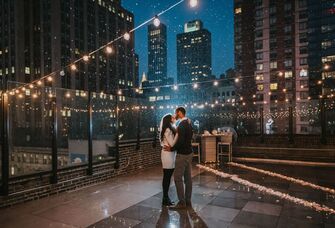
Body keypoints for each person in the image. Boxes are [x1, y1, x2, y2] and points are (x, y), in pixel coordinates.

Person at [164, 107, 193, 209]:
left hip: (182, 155)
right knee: (188, 178)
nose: (174, 115)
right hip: (189, 153)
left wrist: (171, 149)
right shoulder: (189, 123)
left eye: (176, 113)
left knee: (177, 178)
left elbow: (180, 142)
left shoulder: (182, 125)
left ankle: (181, 202)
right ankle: (188, 200)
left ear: (179, 112)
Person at [159, 114, 178, 206]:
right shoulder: (168, 130)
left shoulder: (168, 129)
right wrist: (178, 134)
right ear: (169, 120)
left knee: (167, 177)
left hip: (169, 154)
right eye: (172, 118)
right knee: (167, 177)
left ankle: (165, 198)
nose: (174, 118)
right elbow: (172, 143)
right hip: (168, 156)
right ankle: (165, 198)